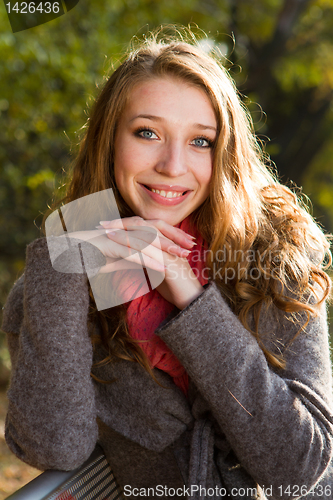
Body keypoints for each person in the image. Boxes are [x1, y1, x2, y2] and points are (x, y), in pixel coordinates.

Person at [2, 28, 333, 500]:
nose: (173, 165)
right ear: (109, 141)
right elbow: (55, 447)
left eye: (201, 141)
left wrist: (190, 297)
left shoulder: (276, 253)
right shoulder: (63, 276)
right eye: (147, 133)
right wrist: (68, 253)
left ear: (224, 154)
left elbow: (299, 470)